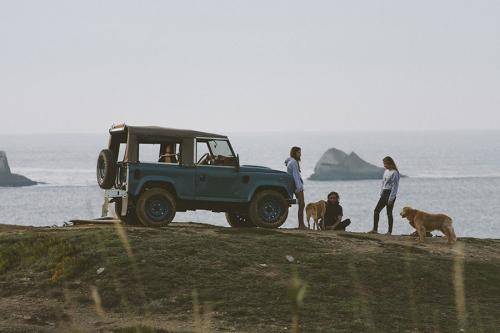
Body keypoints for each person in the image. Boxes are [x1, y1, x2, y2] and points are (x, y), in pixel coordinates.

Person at [369, 156, 400, 235]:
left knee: (389, 213)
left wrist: (391, 198)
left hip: (390, 193)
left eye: (385, 163)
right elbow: (383, 183)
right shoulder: (386, 171)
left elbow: (395, 187)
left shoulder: (395, 173)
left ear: (389, 163)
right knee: (376, 211)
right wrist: (381, 192)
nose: (384, 165)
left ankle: (389, 231)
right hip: (384, 193)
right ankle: (375, 229)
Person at [285, 147, 306, 229]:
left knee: (301, 204)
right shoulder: (294, 163)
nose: (300, 154)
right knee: (302, 204)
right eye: (299, 152)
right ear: (295, 153)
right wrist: (299, 188)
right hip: (297, 186)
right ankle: (301, 225)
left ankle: (301, 224)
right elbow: (296, 176)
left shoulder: (291, 161)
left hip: (293, 185)